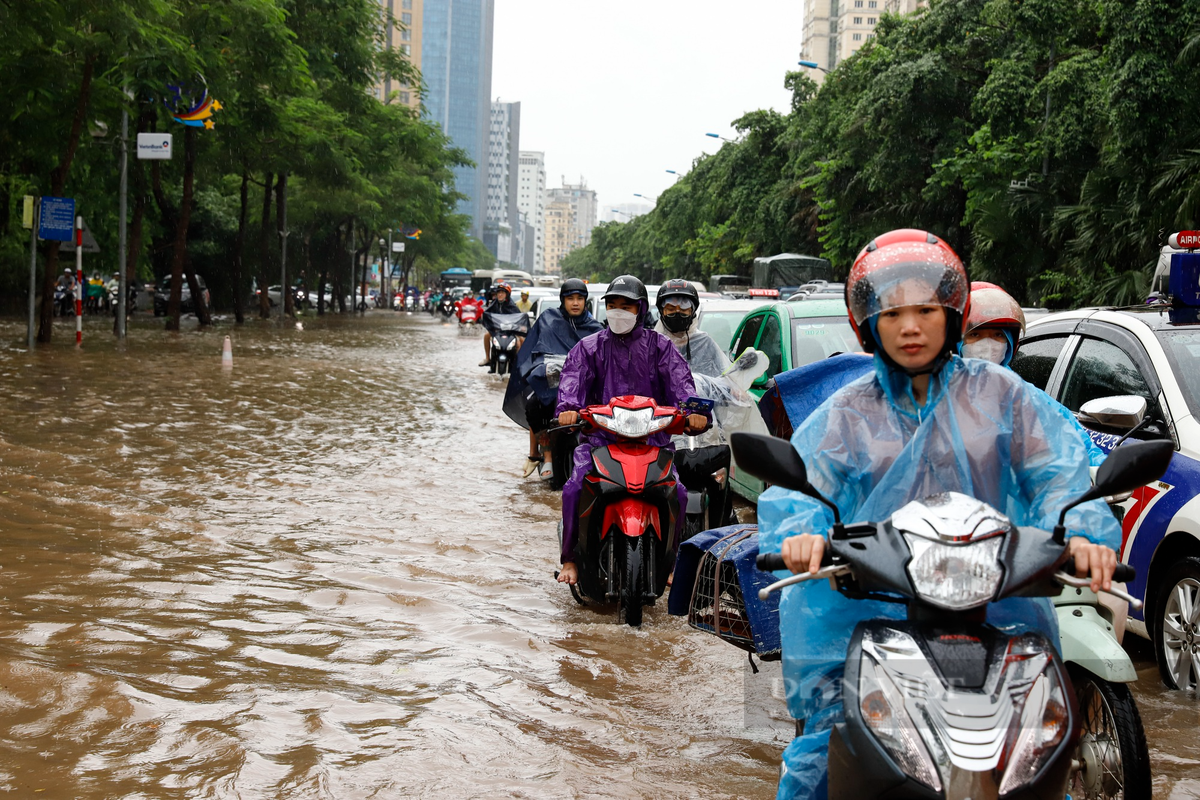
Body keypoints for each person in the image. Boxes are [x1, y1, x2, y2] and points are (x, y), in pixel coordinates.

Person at [756, 229, 1121, 800]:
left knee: (1038, 751)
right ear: (868, 324)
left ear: (952, 315)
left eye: (926, 309)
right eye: (892, 312)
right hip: (865, 606)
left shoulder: (1004, 395)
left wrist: (1083, 531)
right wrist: (802, 534)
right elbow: (800, 487)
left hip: (998, 604)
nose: (910, 326)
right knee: (818, 758)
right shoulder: (846, 414)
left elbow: (1061, 473)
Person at [554, 275, 709, 585]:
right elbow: (572, 384)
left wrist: (695, 413)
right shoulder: (588, 348)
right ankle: (570, 559)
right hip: (600, 441)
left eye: (626, 306)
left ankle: (672, 560)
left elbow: (684, 388)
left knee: (677, 492)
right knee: (573, 487)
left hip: (653, 442)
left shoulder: (661, 347)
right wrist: (567, 409)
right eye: (612, 305)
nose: (618, 311)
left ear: (640, 308)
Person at [503, 279, 603, 476]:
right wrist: (537, 368)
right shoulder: (549, 319)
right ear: (562, 300)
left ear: (585, 302)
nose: (575, 303)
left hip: (583, 391)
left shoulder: (596, 329)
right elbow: (533, 350)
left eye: (580, 299)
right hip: (550, 385)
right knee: (533, 406)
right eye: (570, 298)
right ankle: (544, 453)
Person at [480, 281, 522, 367]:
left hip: (510, 332)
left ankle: (519, 362)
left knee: (520, 342)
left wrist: (518, 327)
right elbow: (487, 314)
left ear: (507, 294)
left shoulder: (512, 306)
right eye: (498, 292)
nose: (500, 295)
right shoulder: (494, 304)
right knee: (486, 336)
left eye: (502, 292)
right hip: (497, 331)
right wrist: (487, 322)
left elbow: (519, 318)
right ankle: (488, 358)